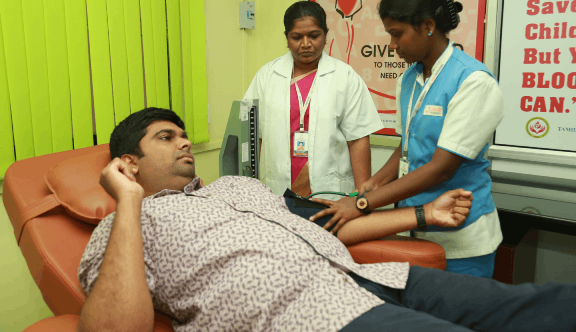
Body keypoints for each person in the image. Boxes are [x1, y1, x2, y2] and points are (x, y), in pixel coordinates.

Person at [77, 108, 576, 332]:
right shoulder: (124, 224)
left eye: (184, 133)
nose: (185, 141)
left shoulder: (238, 187)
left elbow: (326, 224)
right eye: (166, 137)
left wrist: (425, 213)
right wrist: (128, 201)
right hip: (304, 316)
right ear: (128, 162)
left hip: (370, 279)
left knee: (534, 304)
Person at [309, 0, 505, 278]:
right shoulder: (409, 79)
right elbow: (407, 147)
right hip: (416, 226)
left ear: (428, 26)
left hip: (462, 235)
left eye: (397, 34)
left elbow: (441, 167)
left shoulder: (473, 82)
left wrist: (362, 203)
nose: (393, 45)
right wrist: (374, 183)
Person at [243, 1, 382, 199]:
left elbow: (358, 139)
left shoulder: (345, 77)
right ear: (287, 37)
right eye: (297, 37)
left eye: (314, 36)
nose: (306, 44)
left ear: (326, 34)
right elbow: (253, 134)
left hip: (332, 191)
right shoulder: (267, 76)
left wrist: (361, 197)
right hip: (276, 189)